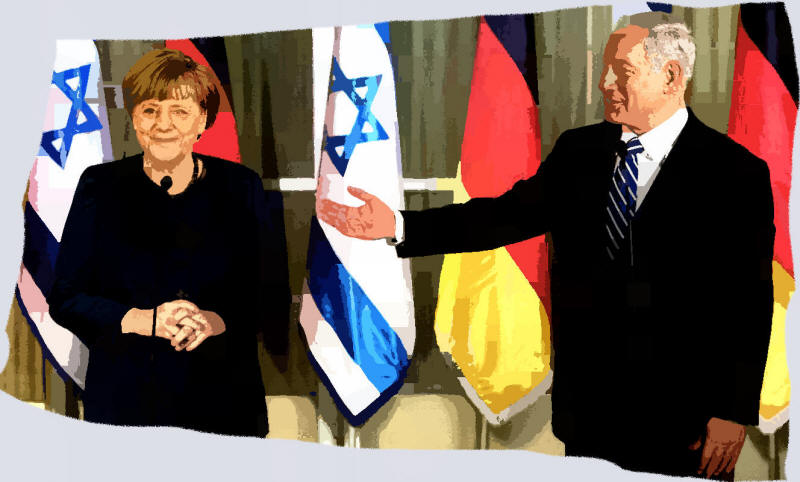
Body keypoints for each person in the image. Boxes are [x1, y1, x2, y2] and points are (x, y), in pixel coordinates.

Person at [317, 22, 774, 479]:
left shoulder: (736, 174)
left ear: (671, 77)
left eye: (622, 72)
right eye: (605, 70)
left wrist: (732, 411)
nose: (604, 84)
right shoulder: (579, 152)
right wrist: (399, 225)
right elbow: (500, 217)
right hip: (590, 419)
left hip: (685, 425)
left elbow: (749, 303)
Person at [48, 48, 290, 437]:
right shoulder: (100, 186)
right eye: (150, 110)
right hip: (126, 406)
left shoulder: (241, 187)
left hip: (225, 403)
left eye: (179, 110)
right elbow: (66, 298)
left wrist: (215, 321)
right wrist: (144, 320)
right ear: (134, 117)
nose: (163, 124)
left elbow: (269, 293)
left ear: (203, 119)